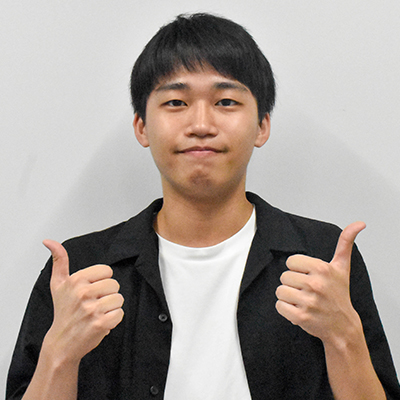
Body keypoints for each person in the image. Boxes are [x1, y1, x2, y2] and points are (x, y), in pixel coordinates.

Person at [6, 12, 400, 400]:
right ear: (142, 126)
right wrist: (60, 354)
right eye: (176, 102)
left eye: (226, 101)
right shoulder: (81, 271)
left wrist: (344, 337)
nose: (200, 124)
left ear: (262, 125)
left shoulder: (321, 258)